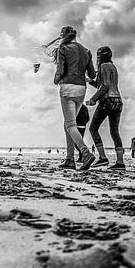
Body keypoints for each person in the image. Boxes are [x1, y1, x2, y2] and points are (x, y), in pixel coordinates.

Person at [53, 25, 97, 170]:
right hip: (81, 89)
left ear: (63, 36)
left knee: (70, 125)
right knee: (68, 125)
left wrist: (55, 80)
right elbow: (92, 75)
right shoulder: (86, 51)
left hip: (67, 88)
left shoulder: (63, 49)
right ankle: (70, 159)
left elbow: (60, 71)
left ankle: (85, 153)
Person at [86, 46, 125, 170]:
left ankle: (103, 157)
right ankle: (120, 162)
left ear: (100, 56)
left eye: (98, 56)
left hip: (107, 101)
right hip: (118, 100)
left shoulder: (103, 67)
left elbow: (105, 86)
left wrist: (93, 99)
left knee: (93, 129)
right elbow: (102, 84)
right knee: (115, 132)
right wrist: (89, 80)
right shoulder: (113, 67)